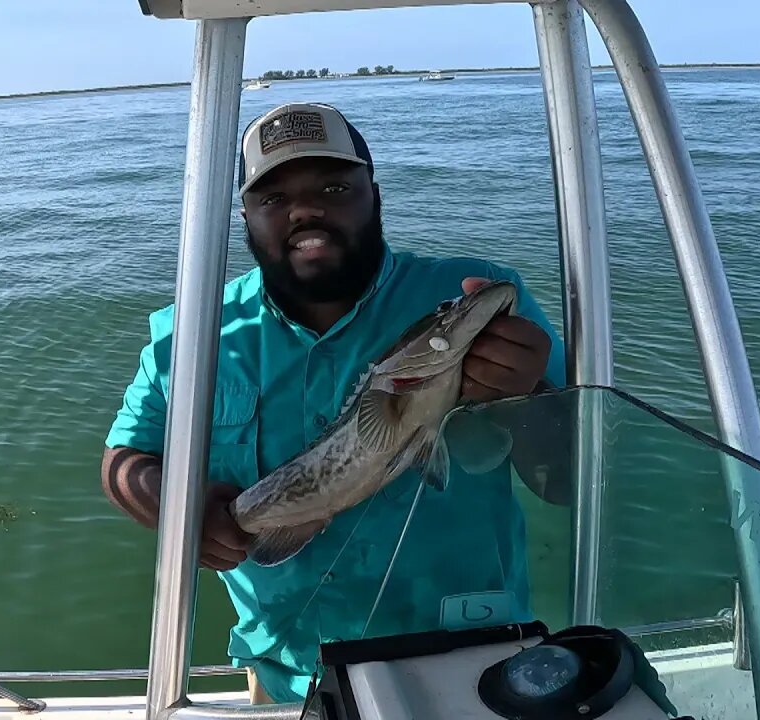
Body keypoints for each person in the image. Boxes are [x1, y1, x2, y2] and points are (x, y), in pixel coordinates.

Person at [101, 102, 572, 705]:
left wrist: (529, 395)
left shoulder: (476, 297)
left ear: (373, 194)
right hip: (292, 670)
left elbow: (570, 481)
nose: (306, 209)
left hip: (476, 654)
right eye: (273, 198)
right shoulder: (186, 333)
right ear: (244, 215)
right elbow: (125, 459)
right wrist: (179, 511)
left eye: (333, 186)